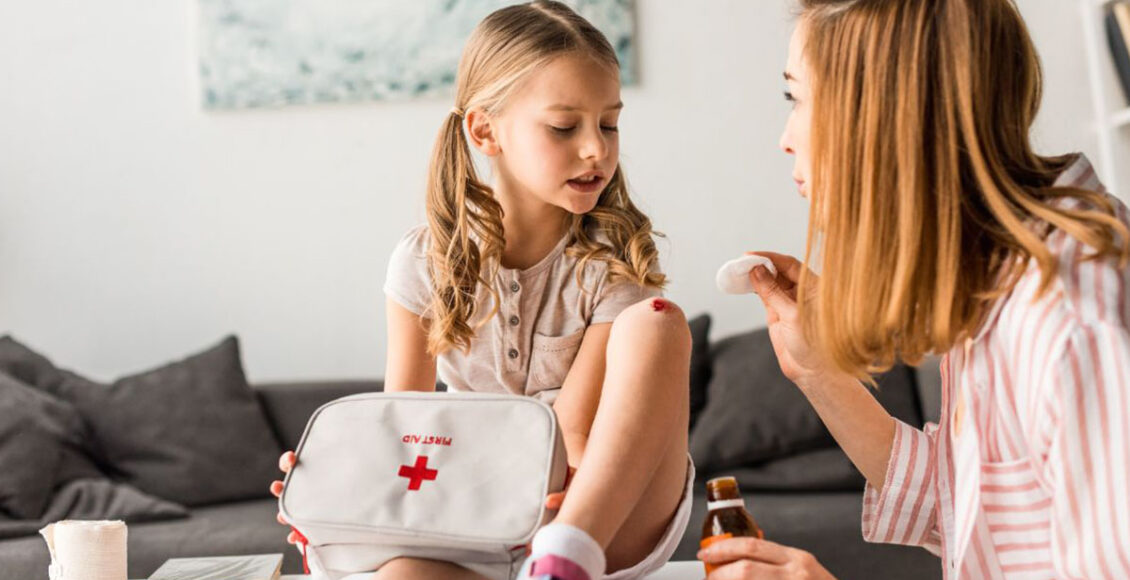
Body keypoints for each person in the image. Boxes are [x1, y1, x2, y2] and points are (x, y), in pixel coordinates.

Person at [698, 0, 1130, 578]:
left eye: (795, 97)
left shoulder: (1071, 322)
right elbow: (967, 515)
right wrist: (819, 374)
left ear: (882, 115)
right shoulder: (997, 284)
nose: (785, 138)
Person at [271, 3, 695, 579]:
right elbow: (404, 425)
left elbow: (570, 442)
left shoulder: (611, 265)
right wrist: (343, 488)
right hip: (475, 510)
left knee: (656, 321)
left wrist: (557, 530)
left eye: (610, 123)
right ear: (484, 130)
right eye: (565, 127)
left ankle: (563, 560)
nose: (596, 148)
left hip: (591, 508)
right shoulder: (424, 262)